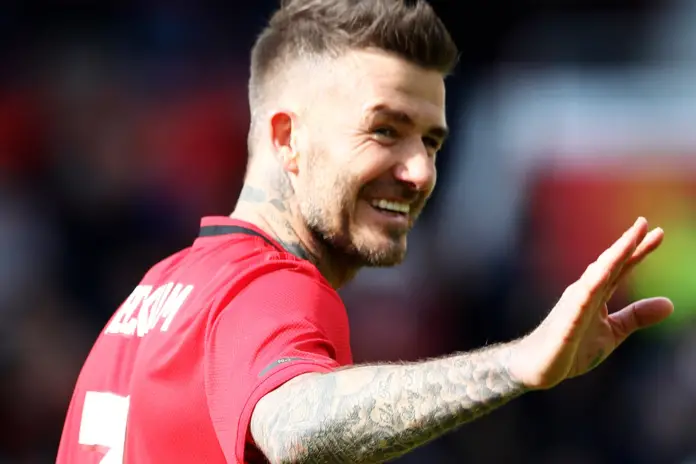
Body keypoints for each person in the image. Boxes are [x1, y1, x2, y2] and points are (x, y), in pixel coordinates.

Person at [56, 0, 674, 463]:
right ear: (285, 138)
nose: (421, 172)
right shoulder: (271, 287)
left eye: (431, 141)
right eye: (384, 130)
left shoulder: (155, 295)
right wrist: (518, 363)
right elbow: (295, 425)